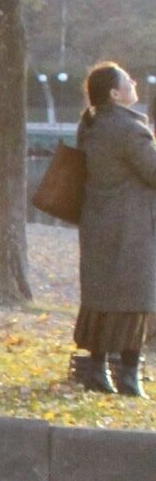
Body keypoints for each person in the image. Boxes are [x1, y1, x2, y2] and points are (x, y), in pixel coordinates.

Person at [74, 60, 156, 396]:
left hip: (97, 222)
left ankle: (96, 370)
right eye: (127, 80)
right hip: (130, 227)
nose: (133, 82)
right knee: (134, 299)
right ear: (115, 93)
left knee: (101, 297)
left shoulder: (91, 126)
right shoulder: (128, 129)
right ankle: (128, 376)